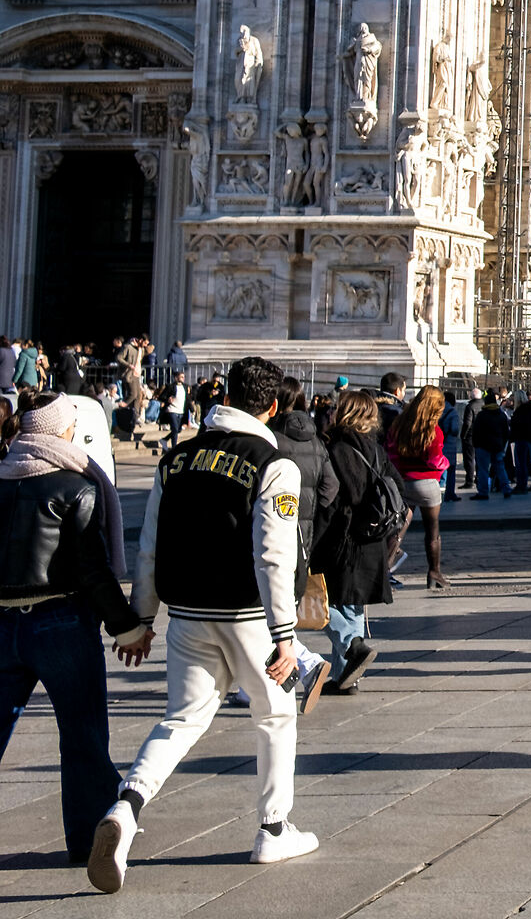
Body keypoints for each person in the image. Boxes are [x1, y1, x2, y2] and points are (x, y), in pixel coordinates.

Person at [92, 356, 318, 892]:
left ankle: (126, 808)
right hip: (247, 617)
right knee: (276, 714)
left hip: (187, 614)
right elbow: (273, 557)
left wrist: (142, 618)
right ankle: (273, 828)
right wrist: (286, 635)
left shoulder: (175, 459)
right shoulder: (274, 463)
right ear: (271, 404)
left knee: (181, 720)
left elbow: (148, 546)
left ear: (225, 394)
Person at [0, 395, 149, 869]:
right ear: (64, 432)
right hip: (60, 620)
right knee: (83, 735)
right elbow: (93, 572)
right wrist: (127, 628)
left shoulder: (1, 478)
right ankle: (90, 841)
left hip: (1, 623)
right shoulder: (77, 486)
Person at [315, 390, 398, 695]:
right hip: (372, 538)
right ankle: (344, 677)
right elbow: (397, 487)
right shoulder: (376, 449)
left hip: (343, 538)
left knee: (323, 603)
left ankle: (351, 647)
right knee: (352, 607)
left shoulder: (334, 447)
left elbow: (331, 500)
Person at [268, 384, 334, 698]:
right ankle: (296, 667)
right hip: (302, 535)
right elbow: (330, 488)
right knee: (281, 604)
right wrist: (313, 522)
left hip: (272, 530)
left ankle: (305, 664)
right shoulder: (318, 441)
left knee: (264, 607)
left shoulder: (269, 441)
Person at [385, 386, 449, 590]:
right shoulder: (433, 430)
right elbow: (434, 460)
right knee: (432, 531)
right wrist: (445, 463)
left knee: (399, 528)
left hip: (403, 482)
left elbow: (390, 453)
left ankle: (384, 572)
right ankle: (434, 573)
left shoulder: (399, 424)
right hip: (427, 484)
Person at [470, 390, 514, 500]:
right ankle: (506, 489)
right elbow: (506, 432)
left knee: (483, 470)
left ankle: (483, 492)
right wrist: (502, 444)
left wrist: (475, 444)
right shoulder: (501, 415)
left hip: (483, 446)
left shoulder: (482, 415)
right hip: (497, 446)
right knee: (500, 468)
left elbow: (476, 432)